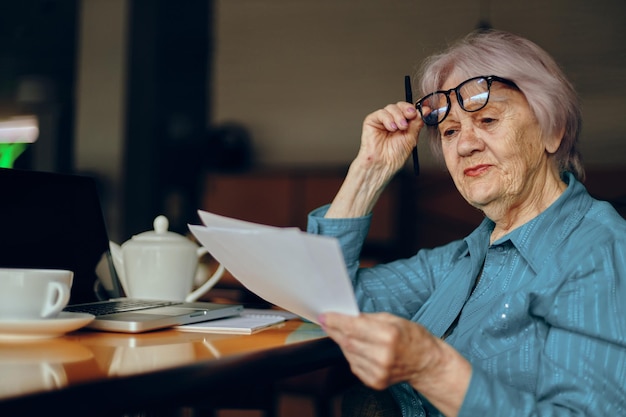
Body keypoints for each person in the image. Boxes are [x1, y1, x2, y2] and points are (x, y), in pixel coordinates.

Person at [308, 29, 626, 416]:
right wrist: (369, 171)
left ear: (551, 131)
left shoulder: (598, 253)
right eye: (450, 131)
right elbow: (325, 299)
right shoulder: (467, 256)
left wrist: (433, 368)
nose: (464, 145)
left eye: (488, 119)